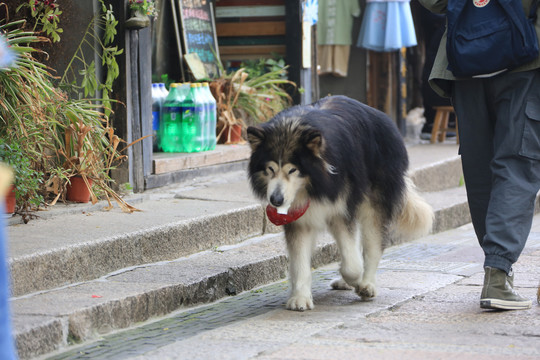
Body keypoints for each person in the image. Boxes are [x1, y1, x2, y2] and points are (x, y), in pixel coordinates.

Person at [418, 0, 540, 310]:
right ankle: (497, 274)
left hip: (466, 58)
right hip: (524, 56)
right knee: (516, 162)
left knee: (479, 167)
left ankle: (497, 269)